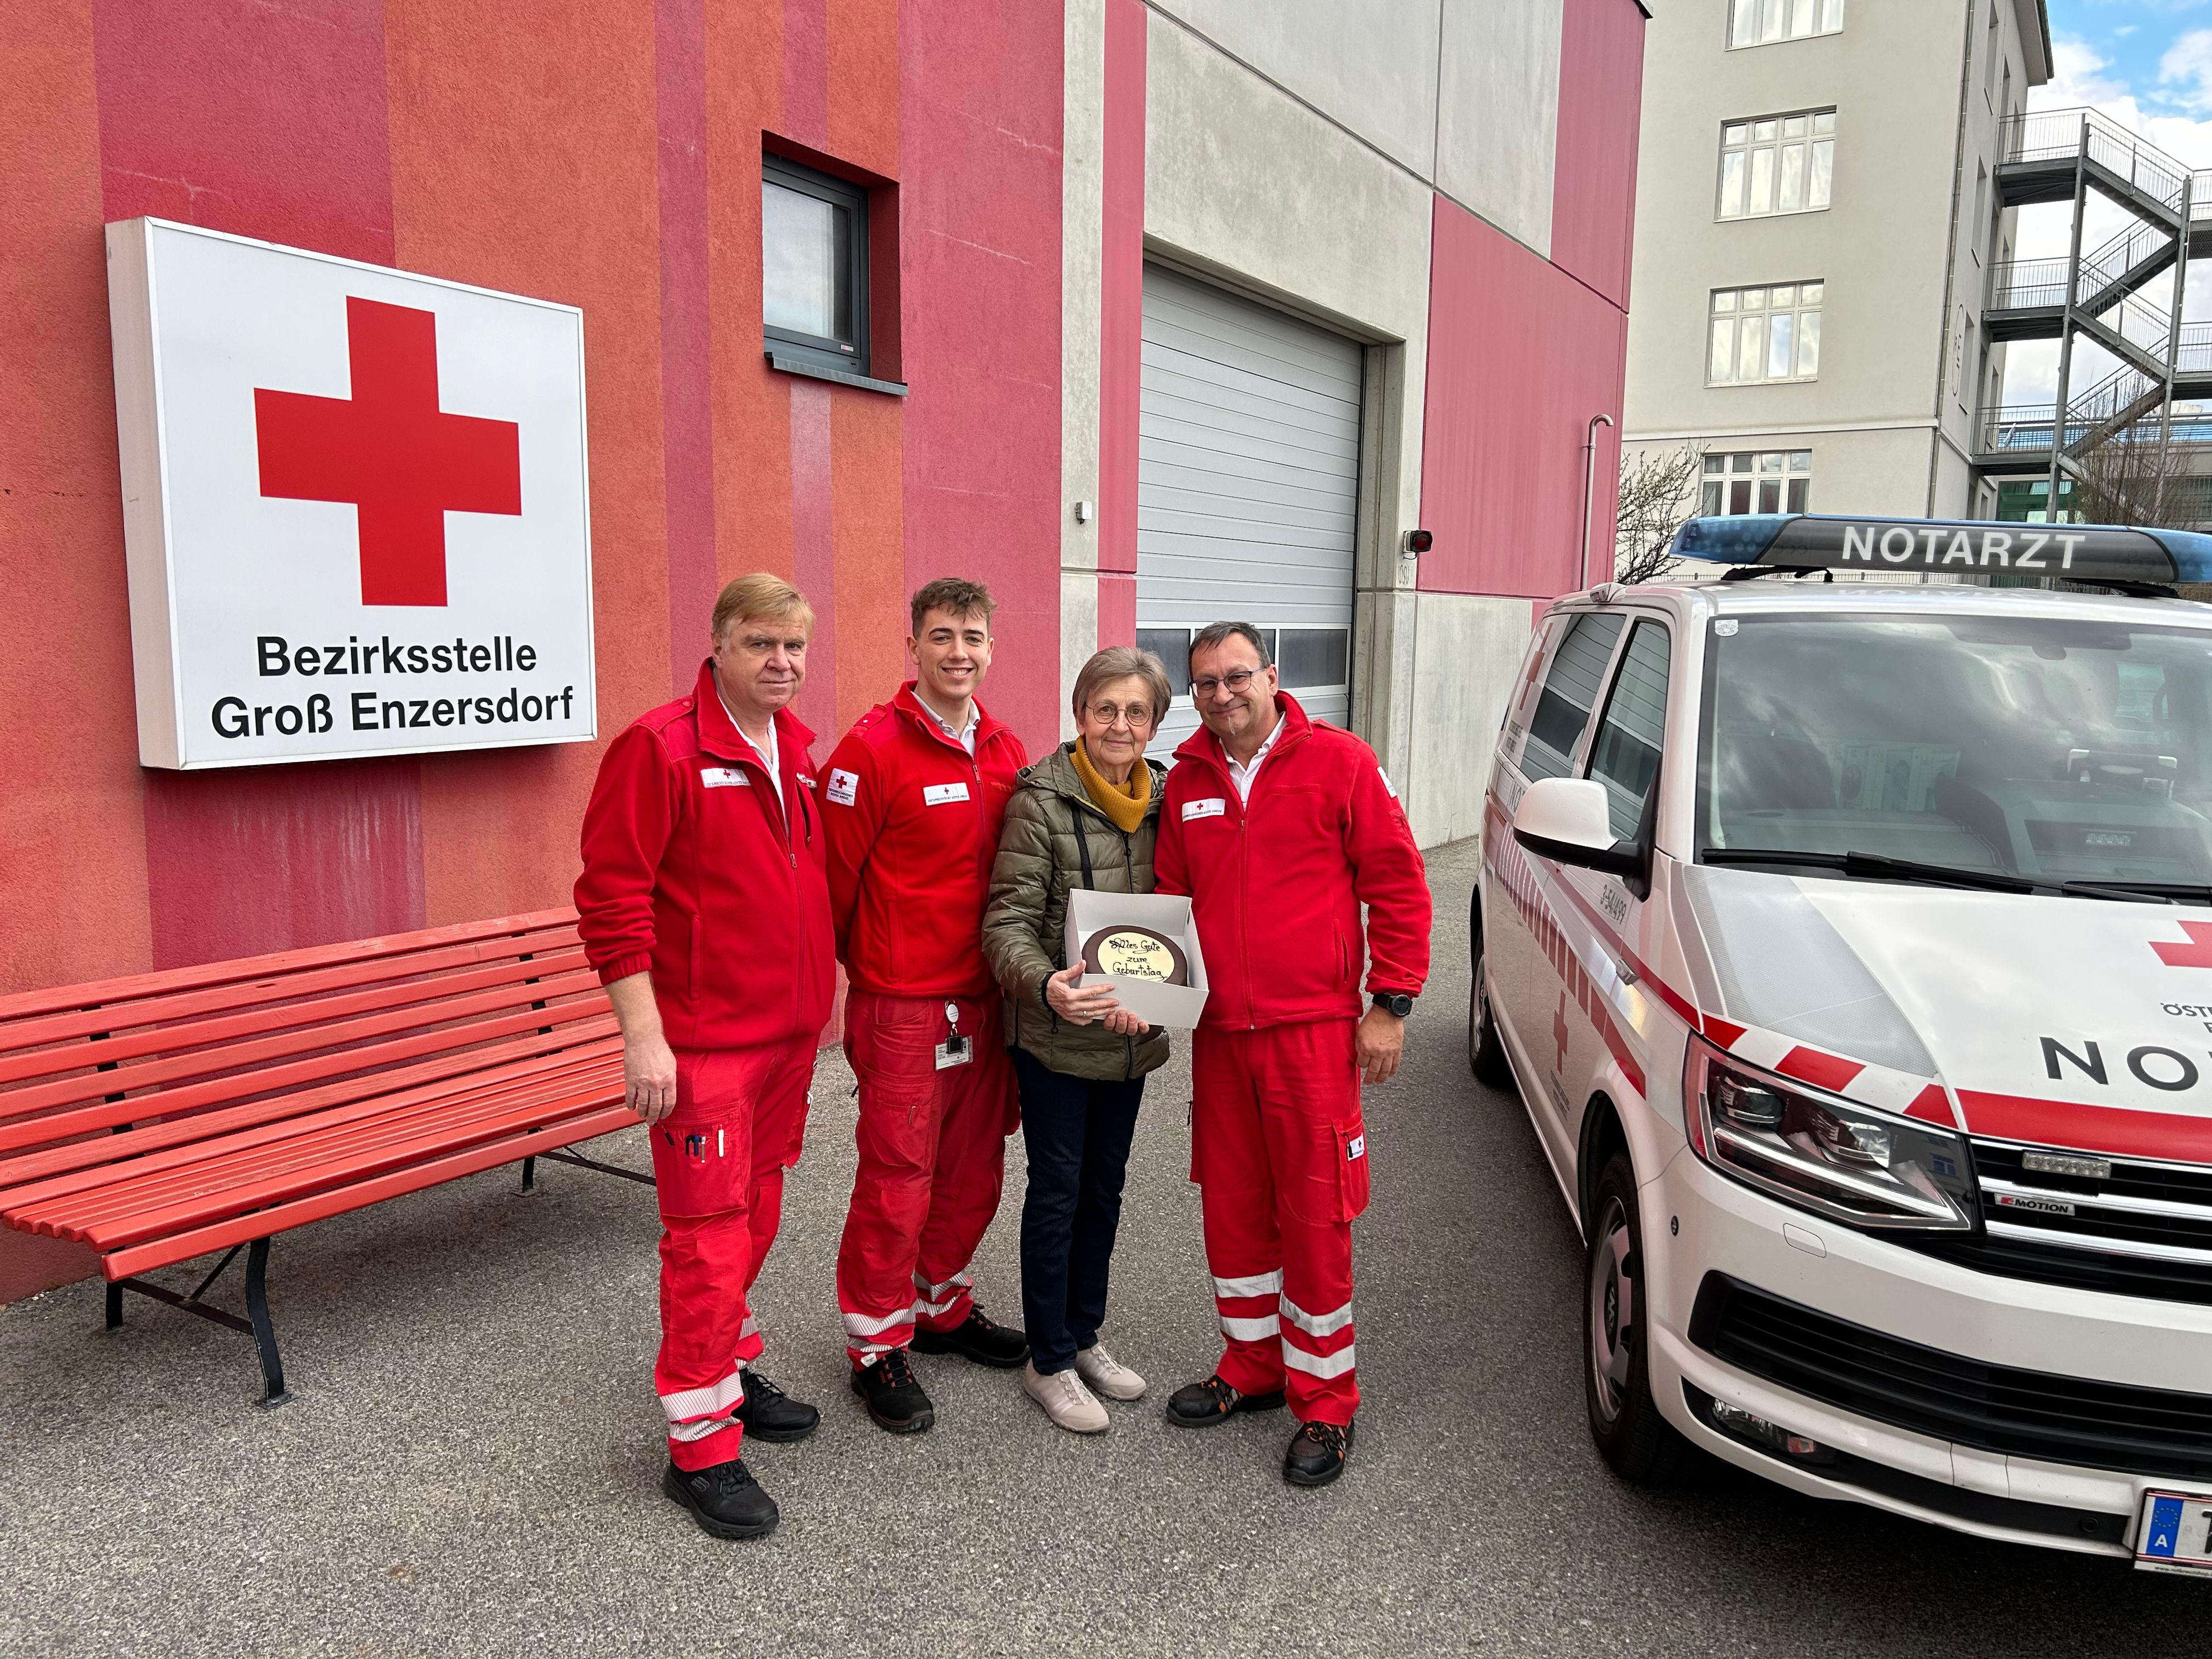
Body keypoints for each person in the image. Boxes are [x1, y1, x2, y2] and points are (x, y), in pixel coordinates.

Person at [574, 573, 834, 1542]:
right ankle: (699, 1447)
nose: (781, 662)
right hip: (707, 1049)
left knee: (756, 1216)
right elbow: (611, 900)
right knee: (708, 1241)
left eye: (794, 646)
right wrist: (644, 1036)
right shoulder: (661, 747)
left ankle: (726, 1366)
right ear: (718, 645)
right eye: (762, 643)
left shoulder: (794, 748)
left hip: (787, 1037)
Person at [1153, 621, 1430, 1488]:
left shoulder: (1340, 762)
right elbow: (1170, 900)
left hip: (1311, 1035)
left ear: (1271, 677)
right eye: (1206, 683)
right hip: (1220, 1037)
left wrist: (1390, 1004)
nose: (1223, 694)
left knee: (1315, 1214)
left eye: (1237, 676)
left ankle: (1326, 1399)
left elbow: (1398, 883)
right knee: (1234, 1207)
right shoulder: (1187, 779)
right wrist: (1145, 993)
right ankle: (1252, 1365)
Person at [822, 577, 1032, 1432]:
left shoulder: (1006, 749)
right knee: (898, 1179)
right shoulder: (869, 751)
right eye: (941, 636)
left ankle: (939, 1304)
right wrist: (884, 966)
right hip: (905, 1007)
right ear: (912, 646)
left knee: (974, 1172)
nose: (958, 652)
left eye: (972, 637)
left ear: (991, 648)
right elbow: (833, 889)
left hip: (986, 999)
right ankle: (877, 1345)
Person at [982, 646, 1173, 1433]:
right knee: (1058, 1192)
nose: (1120, 725)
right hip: (1057, 1037)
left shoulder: (1166, 801)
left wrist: (1163, 998)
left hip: (1130, 1038)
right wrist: (1045, 985)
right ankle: (1048, 1358)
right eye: (1106, 710)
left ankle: (1084, 1335)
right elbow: (1007, 922)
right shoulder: (1040, 801)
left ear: (1154, 722)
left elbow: (1181, 917)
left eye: (1136, 712)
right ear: (1080, 714)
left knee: (1105, 1189)